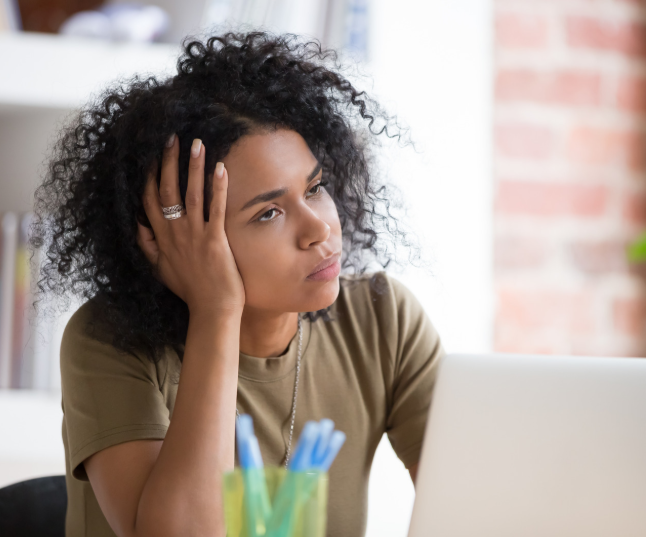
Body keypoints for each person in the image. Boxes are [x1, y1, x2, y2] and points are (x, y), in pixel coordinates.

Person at [33, 31, 445, 537]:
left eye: (314, 189)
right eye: (268, 212)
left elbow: (483, 505)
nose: (318, 228)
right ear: (177, 234)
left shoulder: (383, 320)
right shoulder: (108, 340)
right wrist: (216, 310)